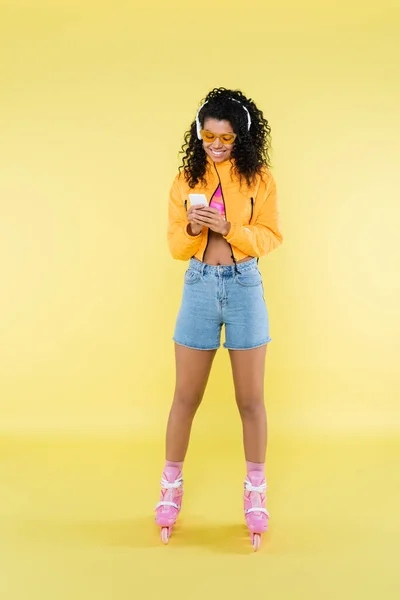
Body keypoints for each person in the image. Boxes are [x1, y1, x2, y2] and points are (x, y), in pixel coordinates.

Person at [155, 87, 283, 550]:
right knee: (185, 397)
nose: (215, 145)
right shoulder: (186, 176)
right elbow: (174, 246)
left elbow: (272, 236)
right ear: (199, 133)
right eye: (208, 135)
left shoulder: (260, 179)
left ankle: (256, 492)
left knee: (250, 400)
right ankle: (170, 487)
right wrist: (194, 228)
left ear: (241, 138)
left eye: (225, 139)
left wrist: (231, 229)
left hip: (246, 286)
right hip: (199, 286)